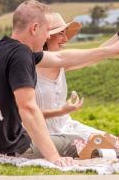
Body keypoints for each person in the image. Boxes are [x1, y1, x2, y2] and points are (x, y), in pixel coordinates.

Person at [0, 0, 119, 167]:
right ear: (34, 28)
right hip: (9, 147)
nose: (48, 36)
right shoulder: (21, 54)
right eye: (48, 30)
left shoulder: (1, 47)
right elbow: (28, 108)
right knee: (88, 142)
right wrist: (54, 158)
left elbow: (60, 58)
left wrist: (110, 50)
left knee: (94, 140)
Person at [35, 12, 105, 141]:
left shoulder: (62, 65)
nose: (66, 39)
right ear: (46, 37)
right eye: (61, 33)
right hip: (43, 134)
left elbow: (96, 54)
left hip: (67, 127)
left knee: (110, 140)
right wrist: (61, 110)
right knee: (95, 145)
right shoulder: (26, 68)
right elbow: (24, 114)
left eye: (65, 33)